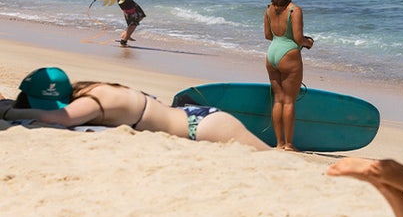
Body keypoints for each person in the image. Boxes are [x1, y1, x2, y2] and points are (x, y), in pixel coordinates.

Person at [0, 67, 269, 151]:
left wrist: (11, 113)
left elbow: (58, 117)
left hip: (201, 127)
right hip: (196, 119)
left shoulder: (90, 102)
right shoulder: (89, 88)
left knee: (271, 157)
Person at [264, 0, 313, 151]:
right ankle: (289, 144)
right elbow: (299, 38)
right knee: (289, 101)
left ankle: (279, 143)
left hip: (272, 53)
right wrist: (309, 43)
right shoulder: (295, 10)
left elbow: (268, 35)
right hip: (289, 54)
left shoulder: (269, 8)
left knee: (278, 100)